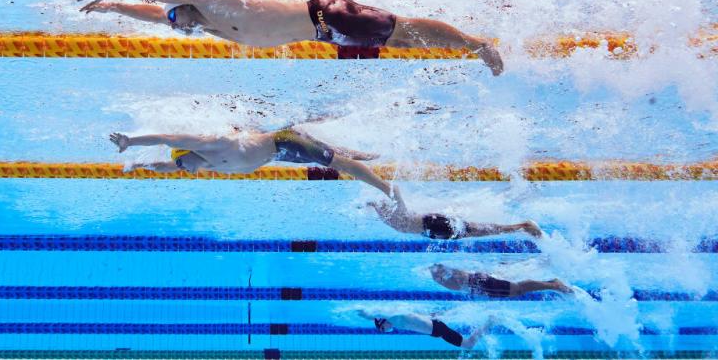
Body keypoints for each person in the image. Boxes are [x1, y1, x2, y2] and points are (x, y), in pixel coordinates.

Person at [74, 0, 504, 75]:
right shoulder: (202, 24)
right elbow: (152, 14)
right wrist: (112, 8)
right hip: (323, 34)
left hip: (327, 14)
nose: (174, 25)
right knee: (403, 42)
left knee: (403, 30)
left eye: (173, 17)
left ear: (181, 7)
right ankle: (468, 49)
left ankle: (476, 44)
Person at [108, 127, 402, 202]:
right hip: (278, 155)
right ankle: (364, 154)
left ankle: (387, 189)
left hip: (285, 140)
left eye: (183, 163)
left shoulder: (212, 143)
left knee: (340, 164)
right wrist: (137, 166)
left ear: (188, 151)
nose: (183, 169)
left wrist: (130, 141)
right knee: (336, 156)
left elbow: (166, 137)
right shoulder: (196, 163)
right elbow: (163, 166)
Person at [366, 199, 542, 240]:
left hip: (434, 226)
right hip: (432, 226)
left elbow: (396, 193)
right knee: (476, 230)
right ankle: (520, 227)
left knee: (477, 231)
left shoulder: (392, 216)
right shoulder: (388, 216)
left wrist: (390, 194)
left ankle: (522, 226)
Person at [356, 309, 495, 349]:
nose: (388, 330)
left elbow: (376, 315)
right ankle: (488, 320)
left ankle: (490, 321)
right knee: (468, 343)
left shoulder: (393, 319)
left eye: (384, 330)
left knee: (469, 344)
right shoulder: (395, 320)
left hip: (437, 329)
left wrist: (364, 313)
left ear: (383, 324)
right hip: (435, 327)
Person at [429, 264, 572, 298]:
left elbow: (460, 275)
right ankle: (551, 283)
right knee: (516, 288)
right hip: (479, 284)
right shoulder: (438, 272)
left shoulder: (437, 271)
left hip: (480, 284)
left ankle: (554, 285)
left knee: (517, 289)